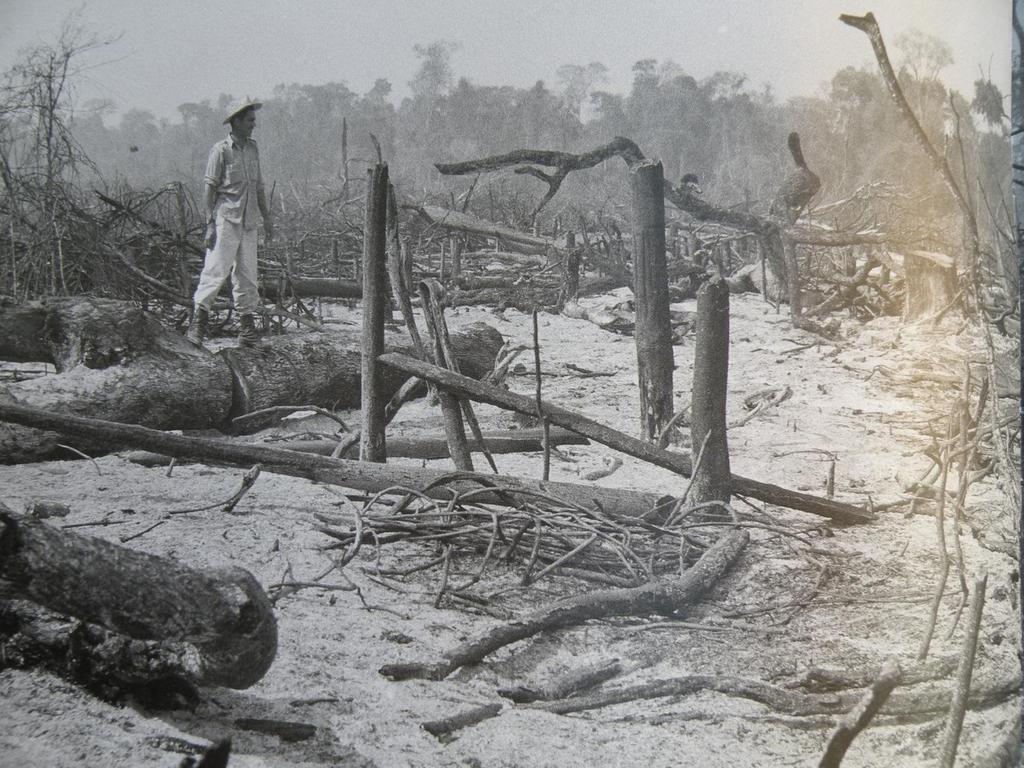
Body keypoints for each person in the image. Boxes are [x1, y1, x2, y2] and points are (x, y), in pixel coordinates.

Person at [186, 99, 274, 346]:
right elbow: (209, 188)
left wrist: (267, 218)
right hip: (226, 219)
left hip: (249, 221)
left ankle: (247, 330)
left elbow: (258, 186)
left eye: (254, 120)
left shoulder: (253, 149)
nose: (253, 125)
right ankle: (198, 326)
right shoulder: (221, 150)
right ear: (236, 121)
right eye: (249, 121)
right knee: (215, 271)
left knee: (248, 275)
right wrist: (210, 223)